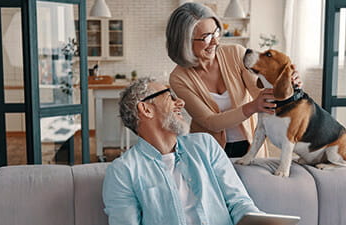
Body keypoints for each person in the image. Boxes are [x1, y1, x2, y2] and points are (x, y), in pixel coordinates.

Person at [102, 77, 261, 225]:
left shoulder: (205, 145)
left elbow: (239, 203)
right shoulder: (123, 171)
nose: (181, 102)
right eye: (169, 97)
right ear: (146, 109)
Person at [166, 2, 302, 157]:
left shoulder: (236, 53)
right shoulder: (178, 78)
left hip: (250, 146)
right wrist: (252, 107)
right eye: (207, 37)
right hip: (210, 152)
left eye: (216, 33)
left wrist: (286, 82)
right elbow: (210, 122)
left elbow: (261, 94)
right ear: (185, 41)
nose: (216, 42)